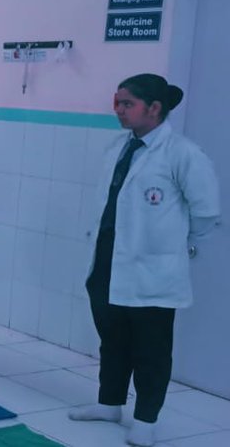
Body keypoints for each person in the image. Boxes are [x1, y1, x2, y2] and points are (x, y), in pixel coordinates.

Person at [68, 74, 220, 447]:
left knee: (151, 350)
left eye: (127, 104)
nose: (118, 110)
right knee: (113, 340)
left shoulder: (183, 153)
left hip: (154, 271)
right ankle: (109, 403)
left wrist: (171, 244)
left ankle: (146, 419)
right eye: (116, 102)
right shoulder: (118, 148)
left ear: (154, 108)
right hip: (108, 264)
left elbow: (206, 213)